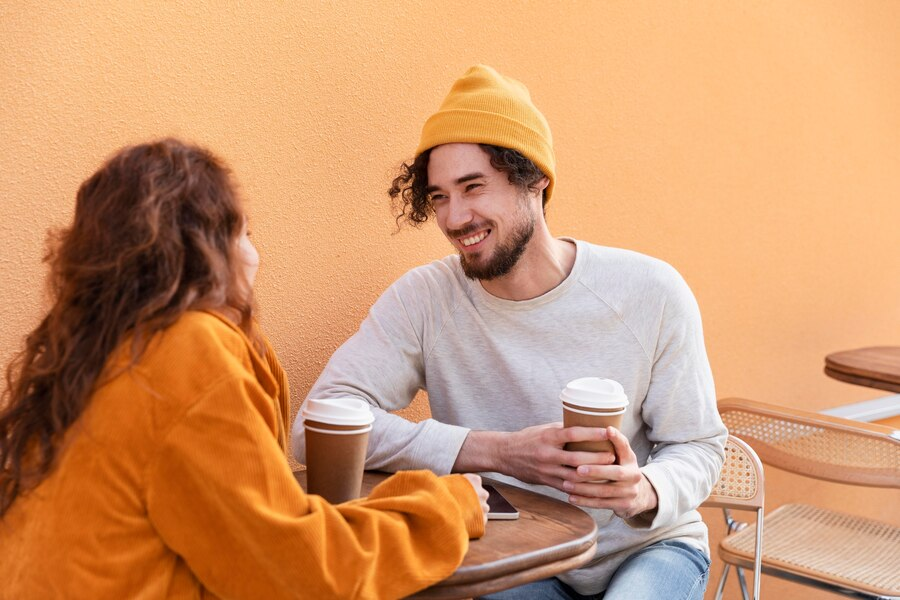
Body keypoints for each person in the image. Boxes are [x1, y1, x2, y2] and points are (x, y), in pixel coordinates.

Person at [292, 65, 727, 599]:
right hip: (519, 554)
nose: (455, 218)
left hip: (647, 549)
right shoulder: (424, 299)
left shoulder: (650, 291)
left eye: (474, 187)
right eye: (439, 197)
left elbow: (699, 446)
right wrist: (495, 452)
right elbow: (314, 426)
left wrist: (645, 490)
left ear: (535, 178)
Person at [0, 139, 488, 599]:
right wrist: (447, 505)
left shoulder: (95, 351)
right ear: (210, 253)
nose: (255, 256)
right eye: (244, 233)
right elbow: (302, 573)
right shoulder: (186, 352)